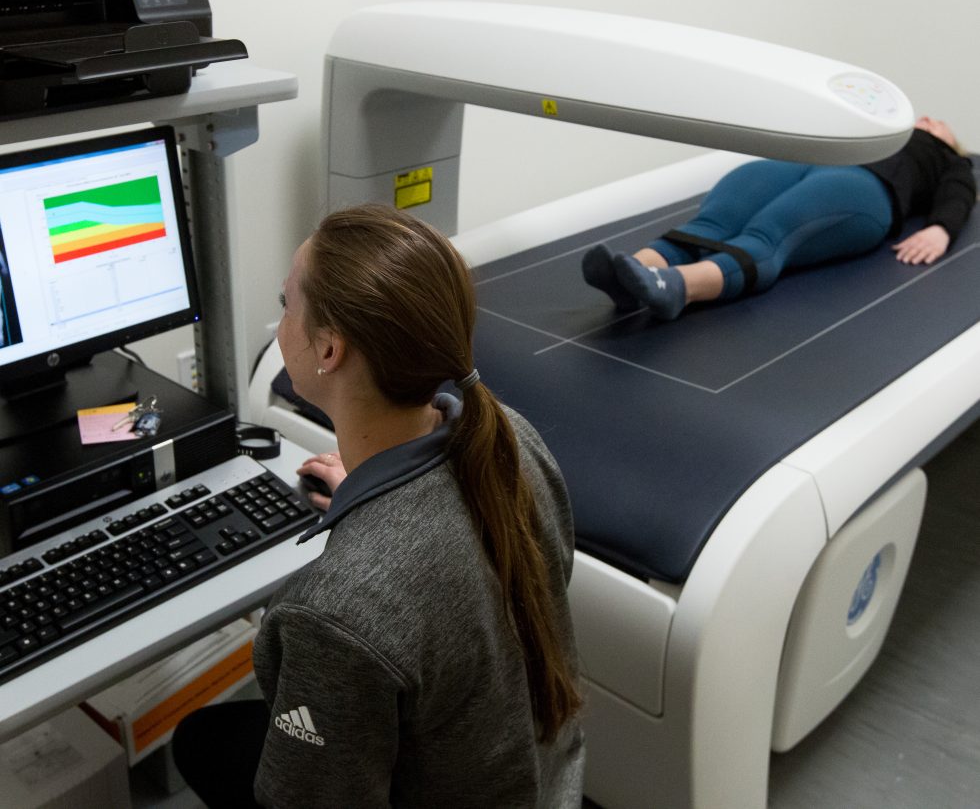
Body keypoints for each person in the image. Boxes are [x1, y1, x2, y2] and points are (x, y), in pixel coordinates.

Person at [172, 204, 585, 808]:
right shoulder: (511, 442)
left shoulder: (335, 611)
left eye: (287, 303)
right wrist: (374, 496)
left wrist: (377, 532)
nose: (280, 319)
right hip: (541, 784)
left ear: (330, 349)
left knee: (201, 741)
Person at [582, 116, 976, 320]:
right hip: (805, 162)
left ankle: (678, 289)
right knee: (716, 219)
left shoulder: (949, 159)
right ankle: (631, 274)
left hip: (865, 186)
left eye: (937, 123)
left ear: (948, 139)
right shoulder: (873, 131)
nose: (927, 119)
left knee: (769, 232)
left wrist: (941, 228)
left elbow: (960, 192)